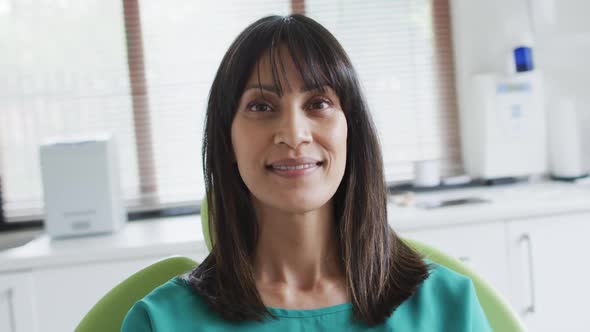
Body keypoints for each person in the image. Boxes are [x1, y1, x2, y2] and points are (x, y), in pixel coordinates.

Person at [121, 14, 492, 331]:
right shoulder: (160, 322)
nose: (294, 134)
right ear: (227, 140)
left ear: (352, 130)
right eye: (262, 106)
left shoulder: (450, 308)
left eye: (318, 103)